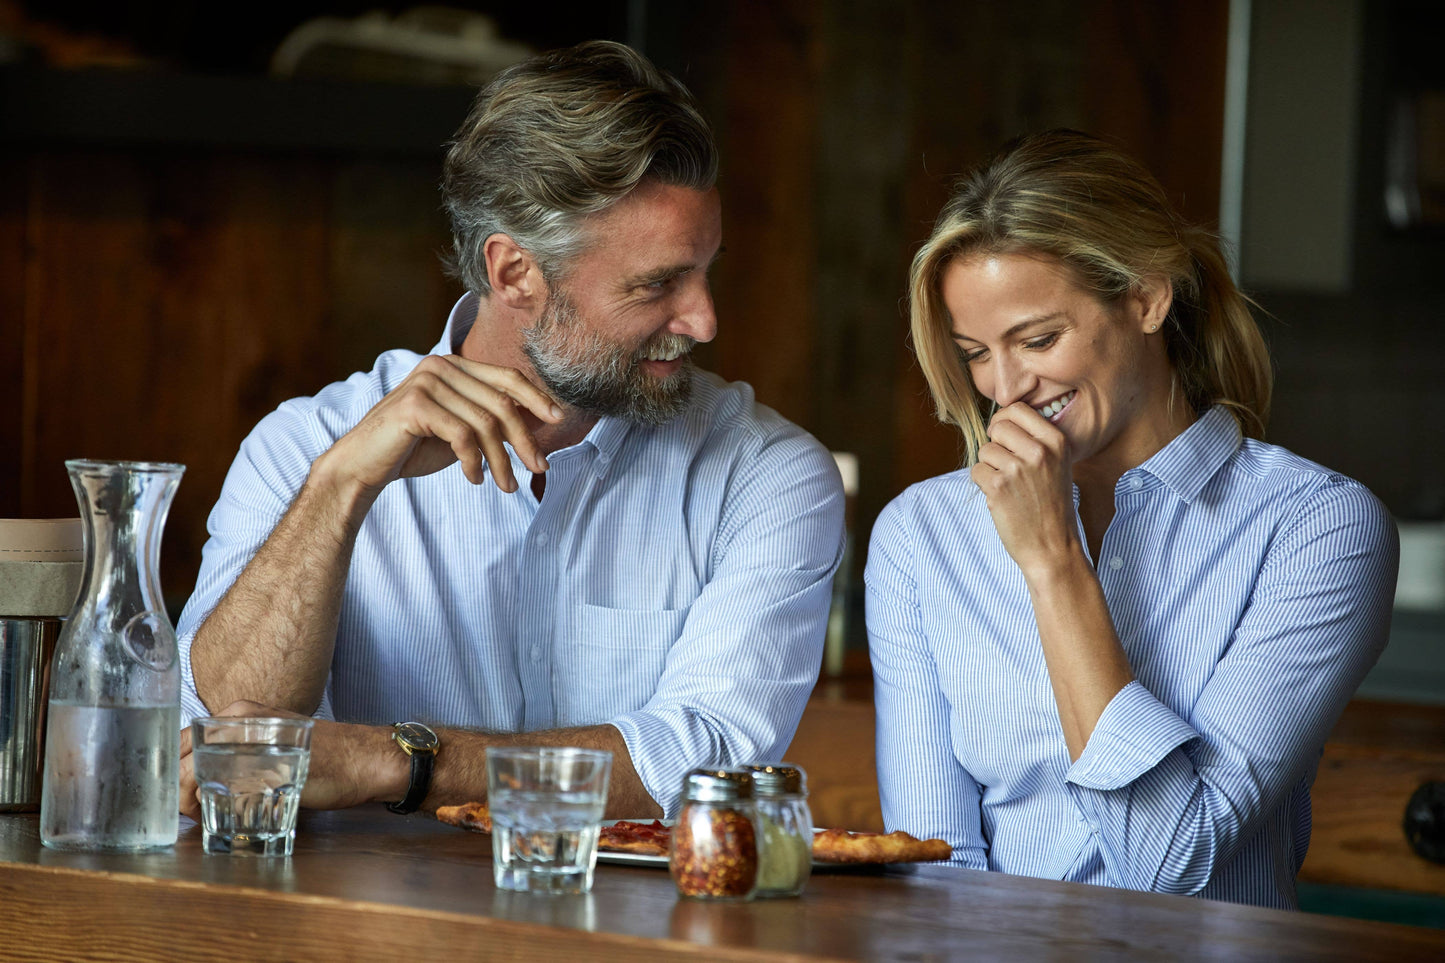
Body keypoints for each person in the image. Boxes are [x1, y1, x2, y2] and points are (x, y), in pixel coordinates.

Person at [176, 40, 844, 822]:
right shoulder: (305, 447)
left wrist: (391, 761)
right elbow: (225, 743)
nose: (703, 319)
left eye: (705, 271)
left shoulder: (764, 474)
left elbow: (708, 761)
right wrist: (341, 488)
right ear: (514, 273)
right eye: (657, 283)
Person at [865, 129, 1398, 909]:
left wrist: (1052, 561)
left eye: (1038, 338)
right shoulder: (920, 535)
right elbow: (932, 870)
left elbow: (1171, 857)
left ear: (1147, 297)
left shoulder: (1316, 529)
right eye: (975, 351)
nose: (1004, 387)